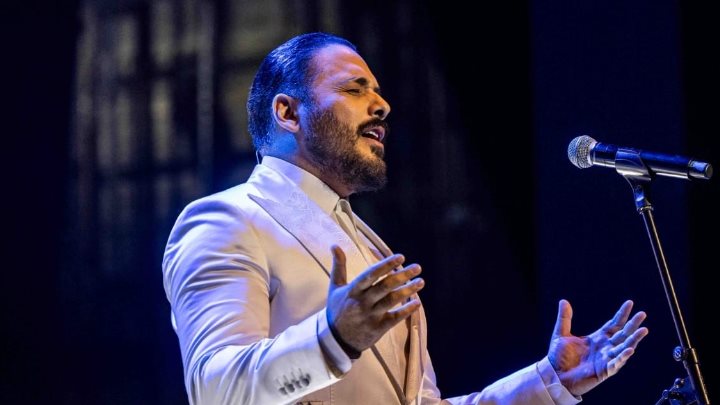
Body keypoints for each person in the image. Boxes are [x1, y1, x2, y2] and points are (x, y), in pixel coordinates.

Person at [162, 32, 649, 404]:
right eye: (354, 89)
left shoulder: (368, 245)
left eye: (376, 91)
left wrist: (548, 383)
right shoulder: (226, 220)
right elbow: (215, 388)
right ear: (288, 113)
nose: (382, 105)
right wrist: (331, 341)